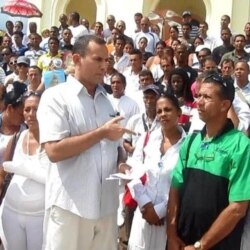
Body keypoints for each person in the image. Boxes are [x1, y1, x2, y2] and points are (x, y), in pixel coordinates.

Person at [37, 35, 130, 250]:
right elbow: (53, 151)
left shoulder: (107, 100)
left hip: (106, 207)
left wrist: (122, 162)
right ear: (76, 59)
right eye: (98, 60)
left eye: (107, 60)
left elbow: (114, 146)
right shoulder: (55, 97)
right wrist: (102, 133)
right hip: (71, 207)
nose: (104, 66)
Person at [167, 73, 250, 250]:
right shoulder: (191, 142)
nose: (200, 101)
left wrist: (201, 245)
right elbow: (175, 189)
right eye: (199, 96)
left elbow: (238, 208)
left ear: (224, 105)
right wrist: (171, 235)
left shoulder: (241, 145)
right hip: (181, 243)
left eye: (207, 97)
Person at [125, 94, 186, 250]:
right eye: (159, 111)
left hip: (169, 219)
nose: (163, 114)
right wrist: (145, 202)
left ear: (179, 113)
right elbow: (133, 170)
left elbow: (185, 185)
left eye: (167, 110)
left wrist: (159, 211)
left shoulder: (188, 145)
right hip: (144, 212)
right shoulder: (148, 138)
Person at [0, 91, 50, 250]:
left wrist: (24, 169)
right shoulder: (17, 138)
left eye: (36, 109)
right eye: (27, 109)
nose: (31, 114)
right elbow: (3, 174)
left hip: (39, 218)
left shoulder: (55, 141)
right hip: (10, 214)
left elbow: (55, 179)